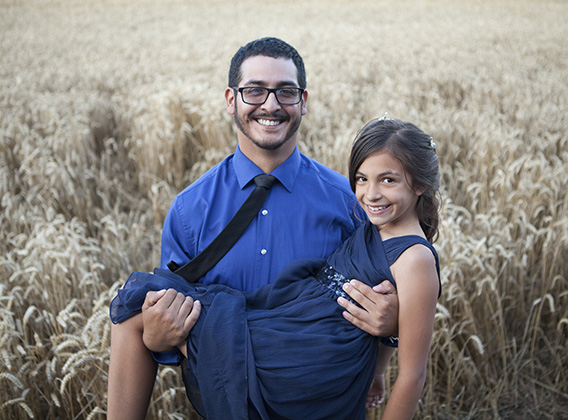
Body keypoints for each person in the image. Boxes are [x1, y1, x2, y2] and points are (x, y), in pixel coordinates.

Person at [107, 37, 399, 419]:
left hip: (325, 407)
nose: (271, 105)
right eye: (255, 91)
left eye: (286, 92)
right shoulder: (189, 211)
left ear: (304, 101)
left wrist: (393, 324)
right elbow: (175, 324)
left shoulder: (350, 203)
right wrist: (156, 338)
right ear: (231, 100)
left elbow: (382, 297)